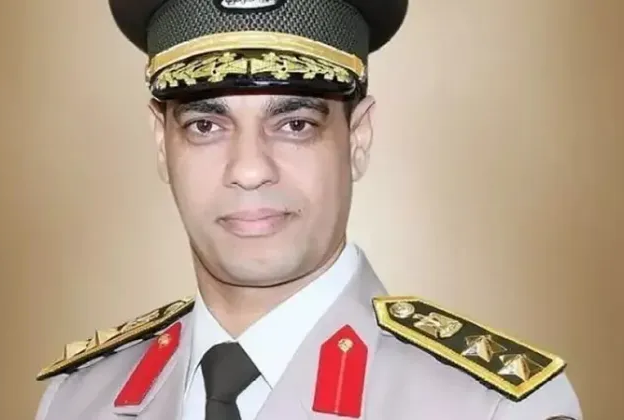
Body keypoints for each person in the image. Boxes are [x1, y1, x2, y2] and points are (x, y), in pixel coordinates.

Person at [34, 0, 583, 419]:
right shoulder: (77, 400)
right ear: (162, 143)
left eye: (295, 124)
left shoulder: (489, 408)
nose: (250, 169)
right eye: (205, 125)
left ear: (357, 138)